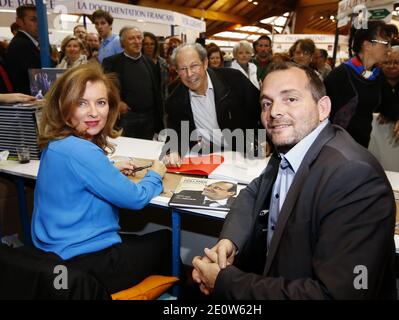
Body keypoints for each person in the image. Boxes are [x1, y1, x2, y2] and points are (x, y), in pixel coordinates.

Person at [192, 62, 397, 299]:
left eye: (290, 99)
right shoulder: (291, 148)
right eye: (267, 103)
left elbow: (336, 295)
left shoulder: (355, 177)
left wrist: (224, 281)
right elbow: (256, 191)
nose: (274, 112)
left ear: (323, 108)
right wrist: (229, 241)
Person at [32, 63, 171, 294]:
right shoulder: (83, 151)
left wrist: (109, 169)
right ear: (63, 106)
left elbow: (76, 175)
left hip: (56, 258)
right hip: (88, 263)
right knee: (166, 239)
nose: (94, 113)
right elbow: (136, 199)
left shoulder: (56, 144)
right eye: (82, 103)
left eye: (101, 102)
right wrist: (156, 173)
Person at [163, 43, 261, 168]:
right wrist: (172, 151)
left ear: (205, 63)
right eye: (183, 69)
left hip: (244, 155)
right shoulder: (175, 100)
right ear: (177, 71)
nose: (189, 74)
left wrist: (264, 140)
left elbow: (262, 110)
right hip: (208, 158)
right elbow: (175, 133)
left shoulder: (234, 79)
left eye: (194, 66)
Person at [325, 21, 399, 148]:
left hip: (361, 146)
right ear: (367, 45)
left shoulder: (377, 75)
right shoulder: (340, 75)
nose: (389, 49)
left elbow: (389, 104)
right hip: (334, 146)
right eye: (386, 44)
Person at [102, 26, 163, 140]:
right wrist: (117, 101)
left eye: (139, 38)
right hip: (125, 118)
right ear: (122, 43)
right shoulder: (111, 63)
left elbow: (157, 92)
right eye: (131, 39)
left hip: (149, 118)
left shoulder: (150, 63)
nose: (137, 42)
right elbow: (104, 89)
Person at [5, 5, 41, 94]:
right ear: (20, 22)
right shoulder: (21, 45)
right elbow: (37, 77)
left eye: (40, 20)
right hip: (27, 99)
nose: (38, 24)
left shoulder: (26, 43)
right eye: (33, 20)